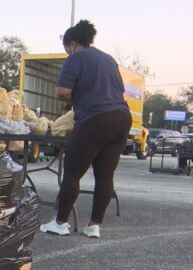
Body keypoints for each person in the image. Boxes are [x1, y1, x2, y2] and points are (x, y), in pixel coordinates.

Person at [39, 20, 131, 239]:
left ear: (72, 44)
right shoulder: (108, 59)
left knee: (72, 172)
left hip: (95, 118)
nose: (67, 52)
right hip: (121, 118)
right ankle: (93, 226)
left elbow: (62, 91)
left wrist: (77, 98)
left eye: (66, 48)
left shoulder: (76, 58)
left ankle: (60, 223)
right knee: (105, 175)